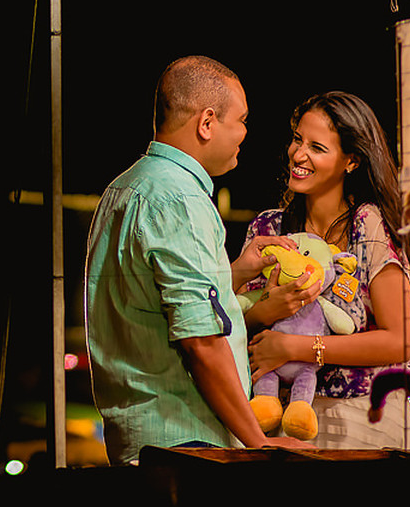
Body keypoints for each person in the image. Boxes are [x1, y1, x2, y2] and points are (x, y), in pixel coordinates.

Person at [85, 55, 311, 464]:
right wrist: (258, 442)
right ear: (207, 122)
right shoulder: (181, 199)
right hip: (188, 445)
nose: (245, 133)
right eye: (241, 120)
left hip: (140, 441)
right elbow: (201, 342)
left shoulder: (125, 187)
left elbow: (150, 301)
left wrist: (233, 273)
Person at [241, 91, 410, 450]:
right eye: (297, 140)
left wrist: (295, 347)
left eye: (317, 148)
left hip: (363, 419)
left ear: (351, 161)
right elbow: (230, 322)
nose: (298, 155)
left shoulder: (368, 224)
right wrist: (266, 311)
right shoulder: (267, 228)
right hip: (279, 421)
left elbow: (401, 340)